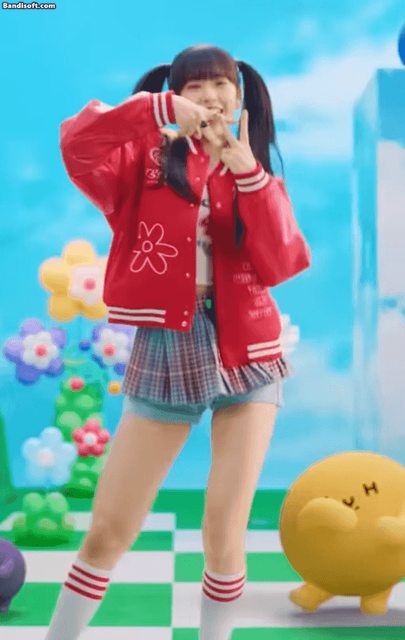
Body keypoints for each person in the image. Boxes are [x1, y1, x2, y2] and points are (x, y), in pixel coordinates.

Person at [45, 44, 311, 640]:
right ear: (177, 95)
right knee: (108, 529)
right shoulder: (138, 162)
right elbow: (76, 143)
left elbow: (284, 262)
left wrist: (248, 171)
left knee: (223, 528)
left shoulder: (257, 172)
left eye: (222, 84)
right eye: (195, 86)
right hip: (167, 344)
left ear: (239, 95)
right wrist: (155, 110)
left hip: (249, 352)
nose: (211, 96)